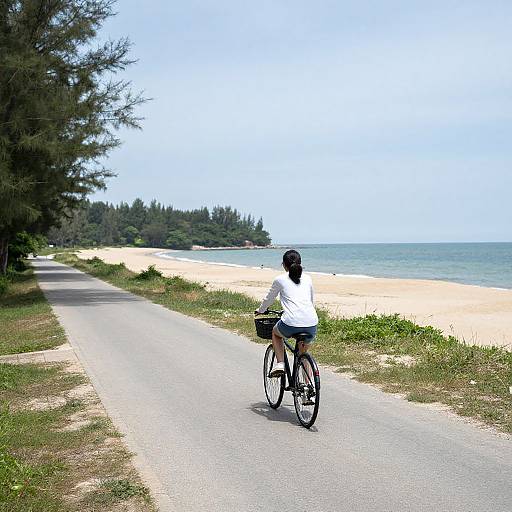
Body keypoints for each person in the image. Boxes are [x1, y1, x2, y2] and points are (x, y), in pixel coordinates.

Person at [255, 249, 318, 377]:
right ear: (300, 264)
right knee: (303, 353)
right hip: (311, 323)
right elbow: (310, 301)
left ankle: (280, 364)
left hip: (290, 322)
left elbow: (269, 299)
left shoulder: (280, 279)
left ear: (284, 265)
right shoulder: (308, 278)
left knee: (276, 333)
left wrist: (260, 310)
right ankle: (308, 391)